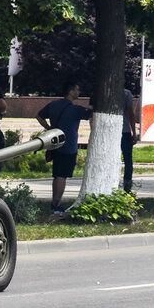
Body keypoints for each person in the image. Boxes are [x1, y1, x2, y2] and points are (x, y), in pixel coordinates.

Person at [36, 81, 92, 216]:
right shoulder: (75, 109)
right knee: (62, 176)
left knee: (57, 175)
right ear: (71, 91)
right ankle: (57, 204)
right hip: (69, 146)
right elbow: (90, 114)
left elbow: (39, 116)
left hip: (55, 144)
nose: (79, 92)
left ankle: (54, 203)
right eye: (77, 90)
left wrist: (49, 129)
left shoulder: (54, 105)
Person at [122, 87, 138, 192]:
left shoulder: (103, 90)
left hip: (110, 132)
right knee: (128, 161)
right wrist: (134, 132)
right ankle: (127, 188)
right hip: (125, 131)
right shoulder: (126, 93)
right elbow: (131, 114)